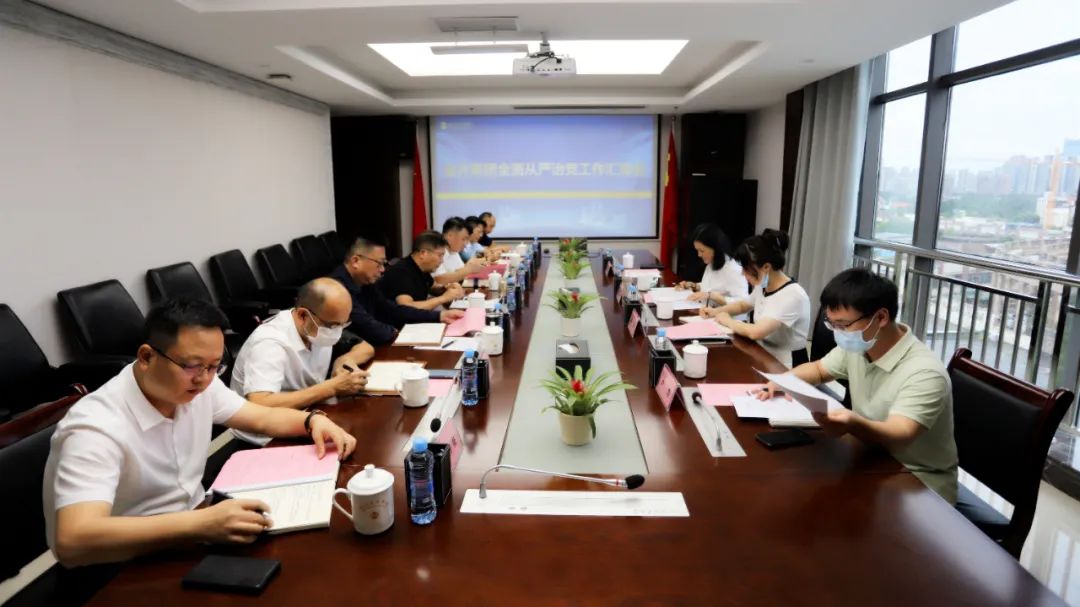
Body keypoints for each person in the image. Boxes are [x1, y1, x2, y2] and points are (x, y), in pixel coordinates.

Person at [43, 299, 357, 567]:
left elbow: (259, 417)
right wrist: (200, 523)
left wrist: (312, 421)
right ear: (147, 357)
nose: (205, 380)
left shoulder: (198, 386)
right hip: (122, 563)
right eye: (193, 366)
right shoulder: (96, 427)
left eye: (214, 366)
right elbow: (74, 539)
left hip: (192, 532)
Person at [757, 268, 958, 503]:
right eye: (832, 324)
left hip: (919, 482)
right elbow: (819, 369)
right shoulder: (861, 345)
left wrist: (852, 423)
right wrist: (784, 381)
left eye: (843, 325)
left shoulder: (924, 373)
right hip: (871, 457)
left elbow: (900, 433)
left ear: (881, 317)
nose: (837, 333)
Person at [229, 278, 375, 445]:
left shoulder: (318, 326)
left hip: (308, 415)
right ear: (302, 315)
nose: (337, 332)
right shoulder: (270, 343)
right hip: (265, 438)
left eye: (343, 324)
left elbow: (365, 348)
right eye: (333, 326)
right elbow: (260, 403)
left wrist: (344, 360)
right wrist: (332, 387)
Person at [699, 229, 810, 367]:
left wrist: (727, 320)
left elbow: (756, 332)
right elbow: (743, 306)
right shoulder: (763, 285)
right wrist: (715, 312)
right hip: (764, 352)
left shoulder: (793, 295)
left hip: (787, 363)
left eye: (746, 269)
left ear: (766, 267)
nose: (743, 274)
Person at [329, 237, 463, 346]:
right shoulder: (337, 289)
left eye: (384, 263)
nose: (382, 269)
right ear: (355, 261)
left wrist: (440, 316)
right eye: (379, 263)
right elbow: (366, 325)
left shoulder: (365, 282)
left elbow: (392, 309)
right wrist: (396, 333)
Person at [378, 230, 465, 310]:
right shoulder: (401, 271)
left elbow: (433, 287)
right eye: (440, 255)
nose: (442, 261)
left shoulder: (422, 268)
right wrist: (443, 298)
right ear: (423, 253)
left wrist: (447, 288)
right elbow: (406, 307)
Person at [675, 223, 749, 305]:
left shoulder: (734, 270)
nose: (699, 255)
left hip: (724, 313)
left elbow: (744, 304)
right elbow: (710, 287)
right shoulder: (712, 262)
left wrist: (712, 296)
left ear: (715, 248)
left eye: (702, 251)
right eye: (697, 250)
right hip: (706, 310)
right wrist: (694, 286)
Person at [433, 217, 488, 286]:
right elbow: (439, 279)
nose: (466, 244)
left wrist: (471, 266)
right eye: (463, 239)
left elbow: (460, 271)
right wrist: (469, 269)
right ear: (449, 236)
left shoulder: (454, 251)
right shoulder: (436, 251)